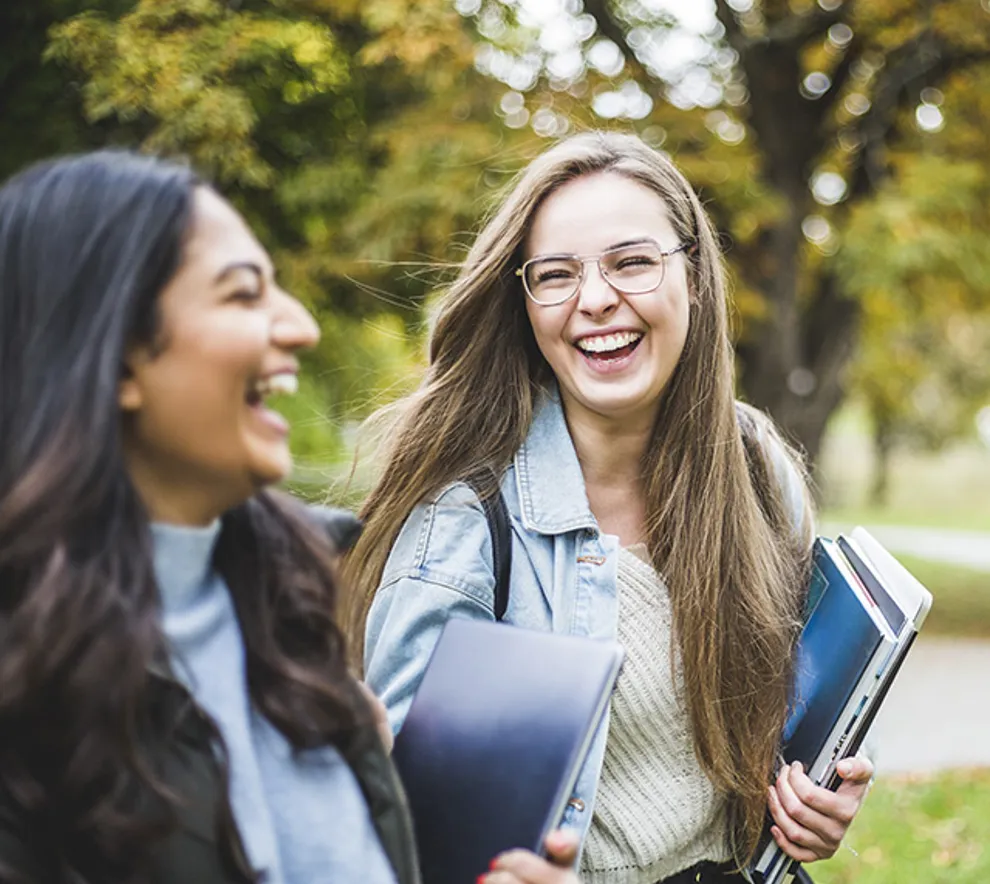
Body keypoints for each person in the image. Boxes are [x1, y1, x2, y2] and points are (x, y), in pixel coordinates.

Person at [0, 150, 578, 884]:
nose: (300, 325)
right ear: (111, 355)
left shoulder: (291, 626)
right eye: (243, 295)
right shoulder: (26, 695)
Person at [348, 131, 874, 884]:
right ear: (526, 306)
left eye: (631, 262)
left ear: (692, 277)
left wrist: (829, 786)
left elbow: (808, 691)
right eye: (555, 275)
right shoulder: (465, 523)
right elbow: (397, 836)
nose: (596, 300)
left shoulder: (757, 468)